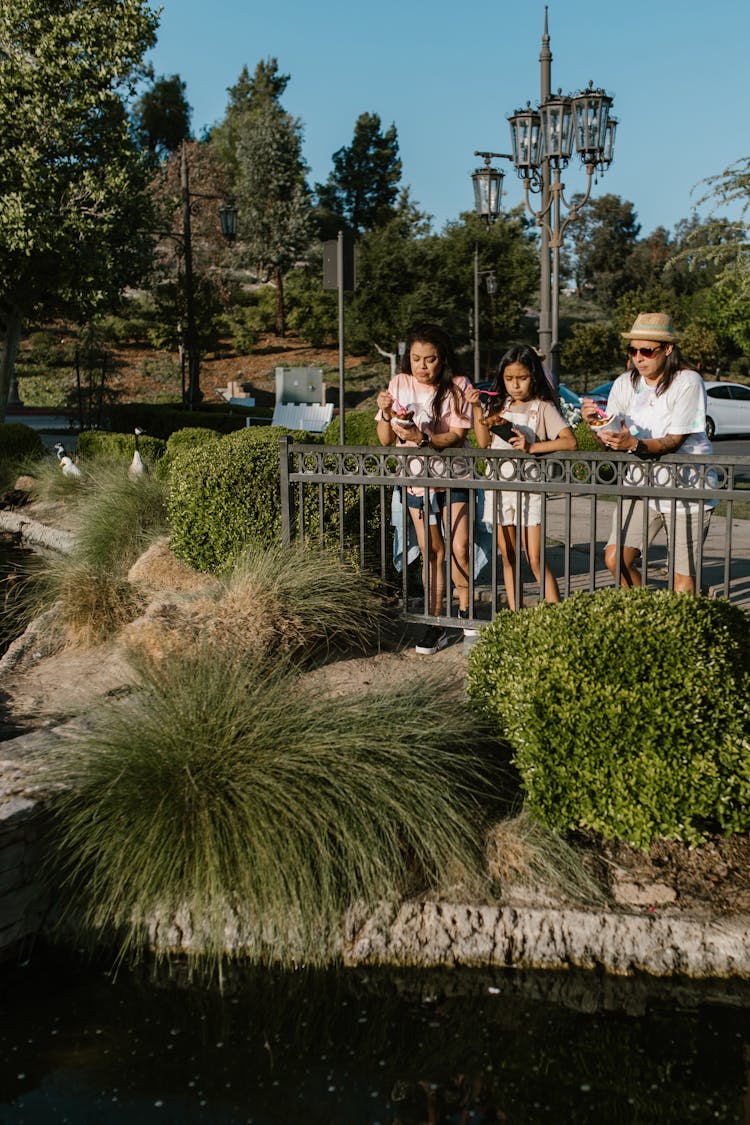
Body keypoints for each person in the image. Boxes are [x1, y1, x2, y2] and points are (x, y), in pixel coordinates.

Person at [580, 311, 714, 595]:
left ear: (667, 349)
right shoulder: (625, 383)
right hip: (642, 485)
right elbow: (611, 435)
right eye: (633, 350)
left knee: (683, 581)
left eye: (647, 350)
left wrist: (634, 445)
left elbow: (674, 441)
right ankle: (646, 611)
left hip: (687, 487)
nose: (638, 357)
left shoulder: (688, 381)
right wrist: (596, 424)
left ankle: (680, 631)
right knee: (616, 559)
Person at [376, 323, 475, 655]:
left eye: (430, 359)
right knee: (431, 552)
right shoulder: (399, 383)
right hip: (416, 481)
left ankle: (465, 613)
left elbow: (458, 436)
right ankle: (435, 623)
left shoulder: (458, 385)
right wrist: (386, 412)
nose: (422, 366)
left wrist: (424, 438)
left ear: (442, 359)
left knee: (460, 548)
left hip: (453, 478)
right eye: (416, 358)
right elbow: (386, 438)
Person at [466, 343, 576, 610]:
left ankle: (556, 615)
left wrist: (532, 447)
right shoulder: (498, 405)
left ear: (534, 377)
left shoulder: (543, 407)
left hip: (529, 488)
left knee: (535, 557)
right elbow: (484, 444)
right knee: (508, 556)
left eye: (522, 378)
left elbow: (569, 442)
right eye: (509, 379)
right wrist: (478, 409)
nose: (515, 385)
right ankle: (515, 616)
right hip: (500, 486)